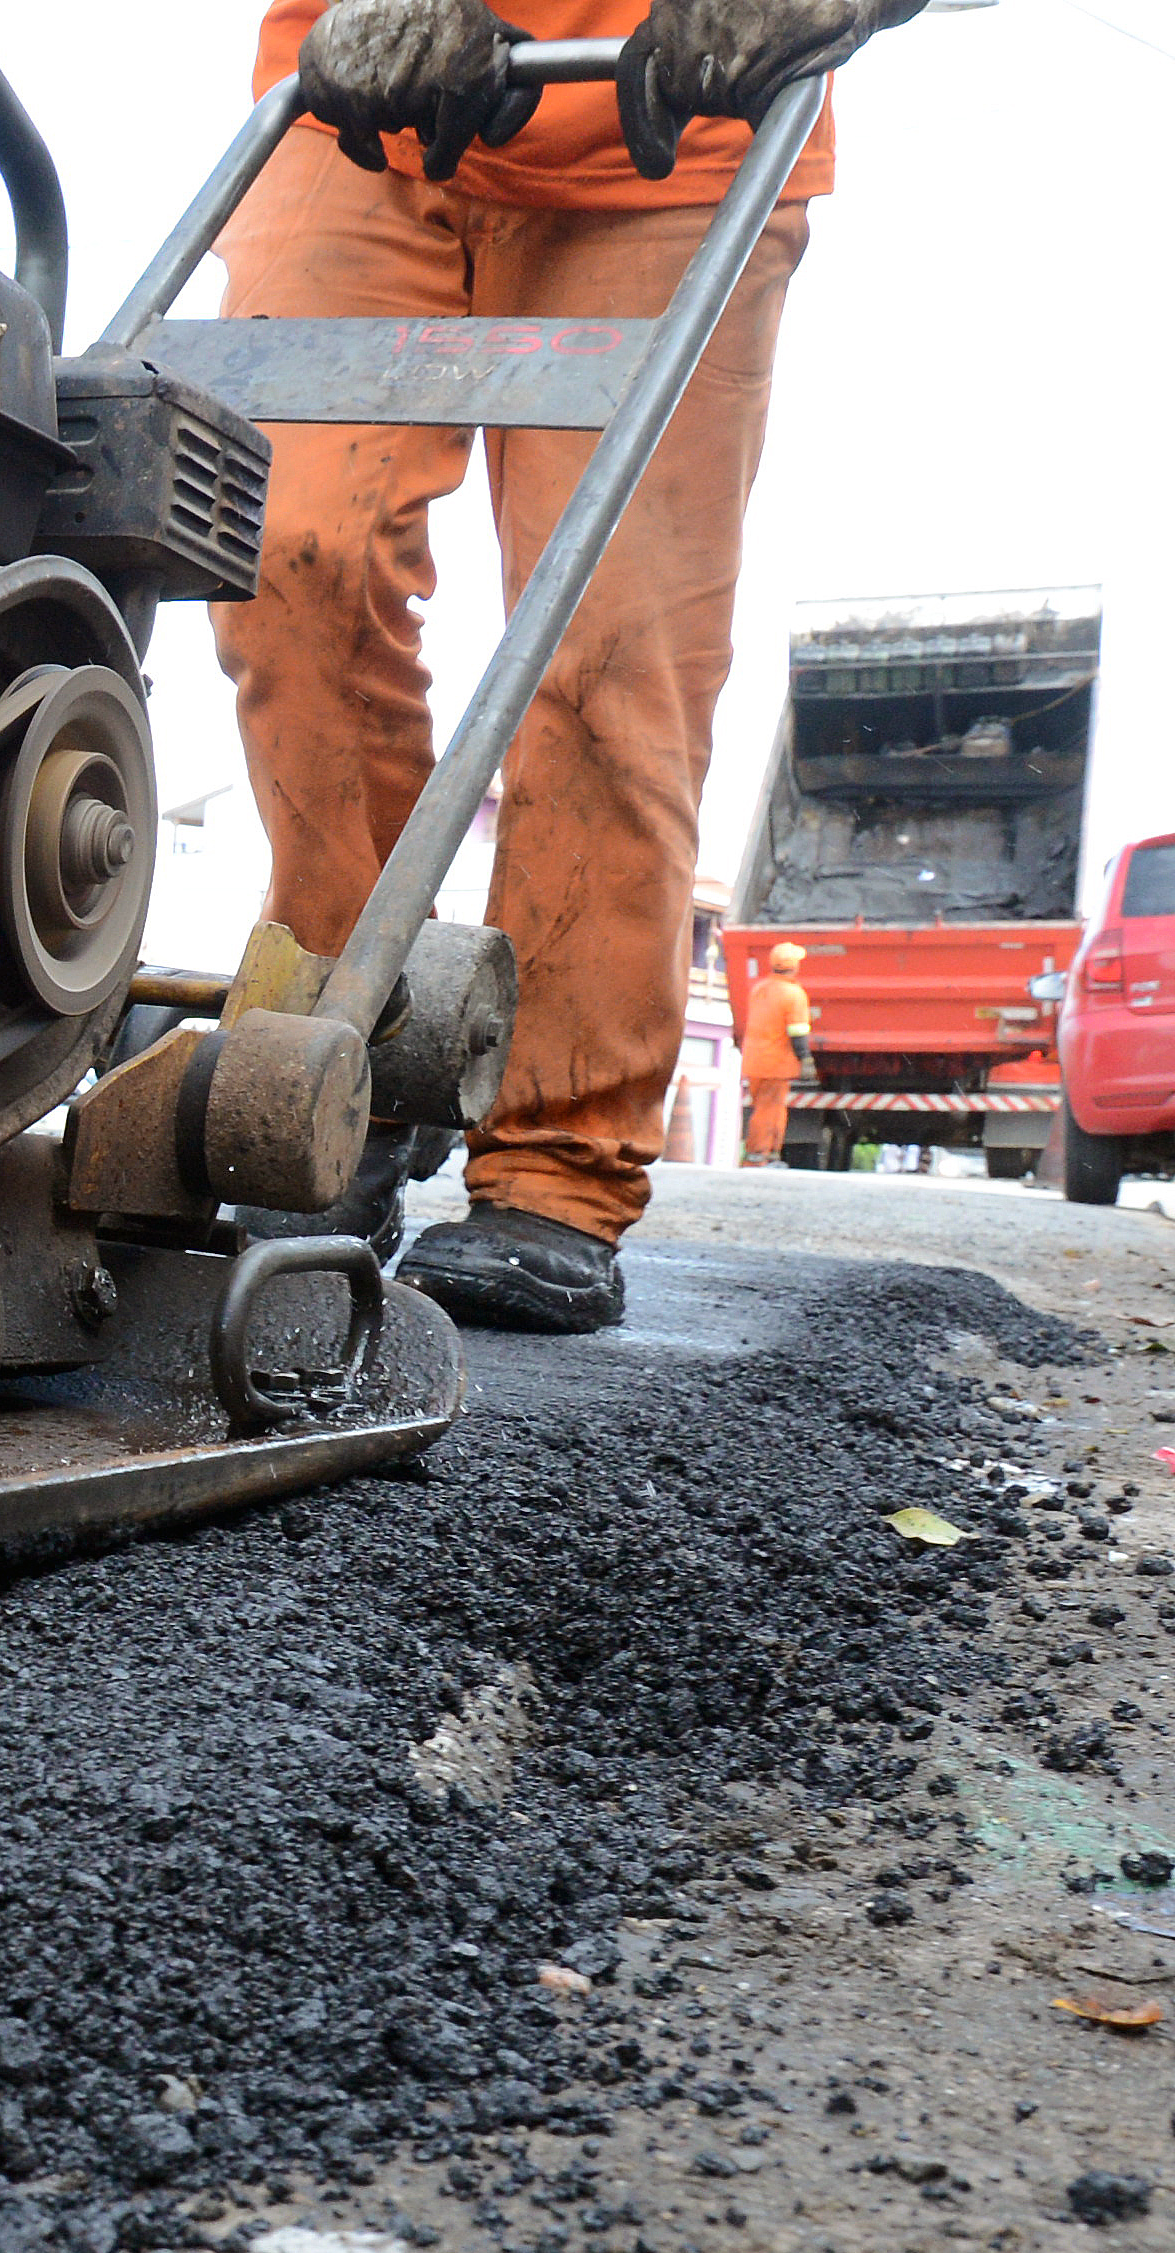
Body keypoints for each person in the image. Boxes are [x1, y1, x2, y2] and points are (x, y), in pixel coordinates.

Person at [216, 0, 926, 1330]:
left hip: (677, 125)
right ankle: (342, 1050)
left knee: (616, 650)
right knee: (282, 551)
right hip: (371, 91)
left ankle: (555, 1164)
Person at [737, 941, 814, 1162]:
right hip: (776, 1063)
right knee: (769, 1110)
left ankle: (768, 1154)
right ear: (793, 966)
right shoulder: (793, 993)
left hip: (755, 1062)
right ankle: (759, 1155)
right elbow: (798, 1031)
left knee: (765, 1108)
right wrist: (805, 1059)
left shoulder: (760, 988)